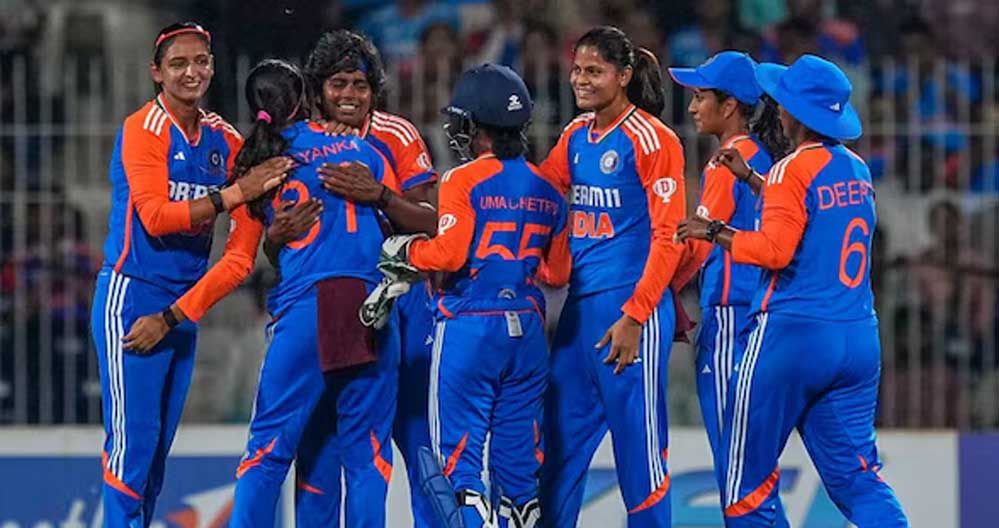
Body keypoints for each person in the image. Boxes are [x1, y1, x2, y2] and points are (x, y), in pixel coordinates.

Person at [677, 54, 909, 527]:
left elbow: (774, 250)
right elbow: (812, 212)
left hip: (793, 336)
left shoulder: (791, 168)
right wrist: (751, 179)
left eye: (783, 101)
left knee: (746, 480)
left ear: (796, 113)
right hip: (857, 338)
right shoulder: (856, 169)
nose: (777, 109)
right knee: (857, 478)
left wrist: (715, 231)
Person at [90, 22, 290, 527]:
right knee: (132, 445)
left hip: (179, 310)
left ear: (213, 67)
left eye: (200, 61)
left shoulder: (226, 140)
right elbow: (156, 217)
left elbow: (240, 260)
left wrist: (175, 315)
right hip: (131, 297)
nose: (191, 72)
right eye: (178, 63)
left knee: (156, 453)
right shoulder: (144, 128)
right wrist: (234, 194)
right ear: (156, 72)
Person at [227, 59, 434, 528]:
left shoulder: (261, 162)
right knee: (367, 459)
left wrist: (275, 238)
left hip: (306, 310)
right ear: (309, 95)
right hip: (370, 309)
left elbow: (271, 245)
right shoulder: (367, 151)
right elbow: (421, 223)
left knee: (267, 452)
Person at [381, 63, 568, 528]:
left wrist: (406, 251)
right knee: (519, 473)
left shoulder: (462, 179)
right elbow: (558, 272)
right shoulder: (548, 188)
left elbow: (448, 254)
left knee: (459, 468)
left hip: (470, 325)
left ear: (477, 125)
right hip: (527, 329)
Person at [539, 26, 686, 527]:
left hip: (630, 310)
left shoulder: (652, 139)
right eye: (577, 70)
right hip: (580, 312)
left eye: (594, 71)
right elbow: (541, 195)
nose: (581, 80)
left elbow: (669, 237)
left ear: (623, 76)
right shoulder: (575, 135)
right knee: (557, 446)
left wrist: (636, 316)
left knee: (639, 454)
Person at [666, 51, 786, 502]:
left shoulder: (728, 160)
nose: (693, 107)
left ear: (730, 105)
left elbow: (698, 242)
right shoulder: (764, 159)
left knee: (734, 465)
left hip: (730, 318)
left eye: (700, 97)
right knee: (753, 464)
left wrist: (657, 295)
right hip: (760, 314)